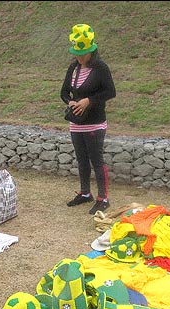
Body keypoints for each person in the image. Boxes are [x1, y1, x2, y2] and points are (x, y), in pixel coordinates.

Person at [61, 24, 116, 215]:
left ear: (91, 51)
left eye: (82, 54)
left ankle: (103, 198)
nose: (78, 57)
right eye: (76, 53)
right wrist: (71, 102)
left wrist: (89, 101)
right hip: (76, 124)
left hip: (95, 123)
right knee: (82, 160)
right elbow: (63, 92)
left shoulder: (101, 67)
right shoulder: (73, 67)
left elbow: (110, 92)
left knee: (96, 160)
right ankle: (85, 193)